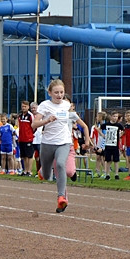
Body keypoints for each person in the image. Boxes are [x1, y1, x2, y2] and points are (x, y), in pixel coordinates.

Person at [33, 79, 91, 212]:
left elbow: (82, 124)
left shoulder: (66, 105)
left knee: (60, 165)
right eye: (56, 92)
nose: (59, 95)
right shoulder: (44, 105)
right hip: (48, 143)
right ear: (49, 93)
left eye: (61, 92)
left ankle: (61, 198)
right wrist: (47, 120)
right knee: (47, 176)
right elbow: (34, 125)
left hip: (64, 142)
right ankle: (42, 171)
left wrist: (87, 141)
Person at [100, 112, 123, 180]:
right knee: (108, 160)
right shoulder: (106, 124)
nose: (115, 118)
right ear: (111, 116)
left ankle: (116, 174)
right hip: (108, 144)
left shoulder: (118, 125)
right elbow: (98, 128)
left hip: (115, 145)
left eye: (116, 116)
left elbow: (124, 130)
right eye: (114, 116)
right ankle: (107, 174)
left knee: (116, 160)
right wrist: (103, 135)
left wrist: (120, 135)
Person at [17, 100, 35, 176]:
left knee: (29, 155)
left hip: (28, 138)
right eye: (22, 106)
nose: (23, 108)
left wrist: (30, 134)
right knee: (23, 156)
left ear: (28, 107)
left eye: (25, 106)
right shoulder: (20, 116)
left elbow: (34, 126)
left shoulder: (30, 116)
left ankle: (29, 171)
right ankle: (25, 170)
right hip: (21, 138)